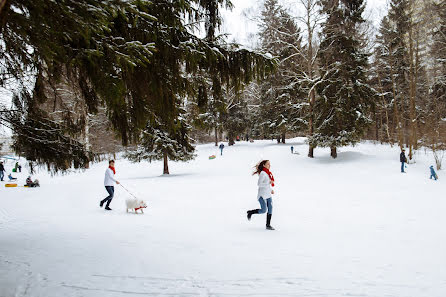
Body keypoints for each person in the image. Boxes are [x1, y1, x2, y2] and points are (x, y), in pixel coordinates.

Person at [246, 160, 275, 230]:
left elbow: (267, 184)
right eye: (268, 164)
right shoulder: (263, 173)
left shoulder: (268, 173)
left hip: (268, 194)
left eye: (269, 164)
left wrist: (271, 190)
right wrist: (269, 183)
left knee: (270, 208)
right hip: (262, 195)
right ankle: (250, 212)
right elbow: (259, 184)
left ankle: (268, 225)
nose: (269, 165)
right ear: (264, 165)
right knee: (264, 210)